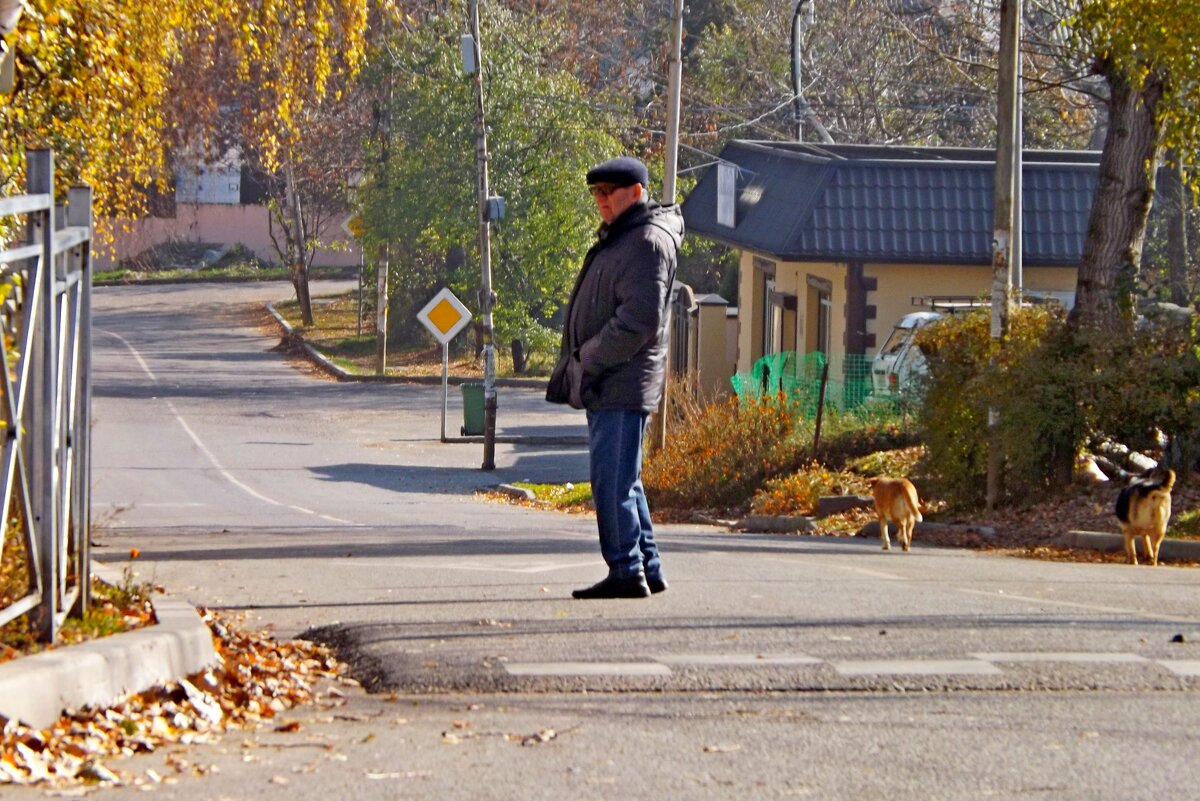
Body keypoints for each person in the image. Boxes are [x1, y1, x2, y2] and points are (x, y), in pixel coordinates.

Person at [546, 156, 684, 599]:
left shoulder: (644, 242)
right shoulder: (626, 237)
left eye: (610, 191)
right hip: (613, 380)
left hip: (620, 380)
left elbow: (637, 321)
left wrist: (588, 357)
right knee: (626, 479)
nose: (602, 200)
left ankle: (626, 570)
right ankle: (648, 565)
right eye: (597, 193)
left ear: (637, 193)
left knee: (611, 484)